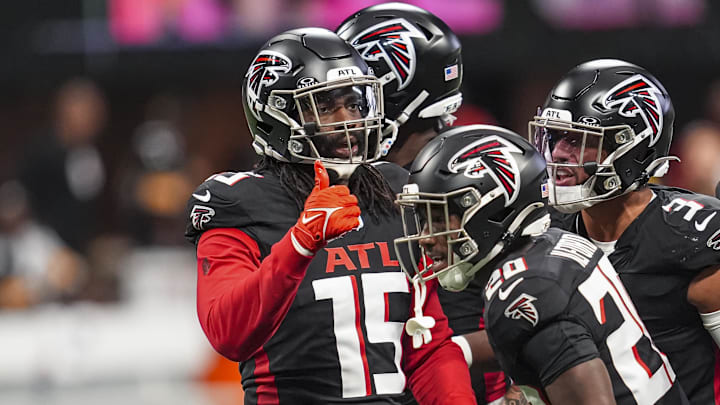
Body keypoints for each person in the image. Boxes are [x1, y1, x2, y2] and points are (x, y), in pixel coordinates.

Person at [184, 27, 476, 404]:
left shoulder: (394, 190)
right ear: (277, 115)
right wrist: (300, 243)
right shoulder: (239, 202)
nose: (349, 120)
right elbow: (228, 333)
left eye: (354, 104)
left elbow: (427, 344)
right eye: (325, 107)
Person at [393, 124, 688, 404]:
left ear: (493, 210)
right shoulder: (550, 246)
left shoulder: (522, 289)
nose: (426, 238)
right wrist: (455, 351)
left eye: (439, 218)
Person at [338, 6, 512, 404]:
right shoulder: (345, 183)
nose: (340, 109)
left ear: (390, 90)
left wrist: (457, 355)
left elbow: (541, 306)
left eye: (349, 94)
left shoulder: (478, 179)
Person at [528, 58, 720, 402]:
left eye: (577, 140)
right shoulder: (542, 234)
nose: (558, 153)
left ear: (633, 147)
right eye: (555, 137)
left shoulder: (691, 237)